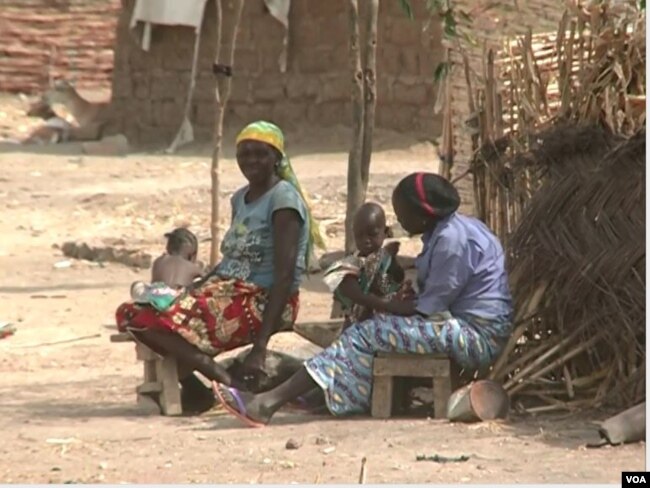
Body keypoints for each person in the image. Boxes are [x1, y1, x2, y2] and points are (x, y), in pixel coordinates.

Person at [212, 172, 513, 427]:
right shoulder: (452, 231)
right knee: (369, 333)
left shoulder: (452, 241)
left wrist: (391, 307)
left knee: (366, 334)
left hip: (475, 338)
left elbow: (429, 306)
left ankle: (268, 402)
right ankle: (313, 396)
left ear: (423, 214)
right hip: (463, 327)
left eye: (402, 212)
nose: (399, 218)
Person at [115, 120, 325, 413]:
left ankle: (227, 385)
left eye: (260, 153)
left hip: (261, 299)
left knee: (168, 322)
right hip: (225, 290)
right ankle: (210, 386)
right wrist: (195, 288)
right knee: (134, 313)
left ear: (277, 158)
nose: (251, 160)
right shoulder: (240, 198)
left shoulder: (283, 200)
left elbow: (285, 273)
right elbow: (232, 259)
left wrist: (260, 348)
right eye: (244, 153)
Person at [323, 202, 409, 325]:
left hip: (385, 321)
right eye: (359, 235)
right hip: (355, 323)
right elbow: (357, 295)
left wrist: (392, 260)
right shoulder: (349, 265)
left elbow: (396, 280)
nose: (366, 240)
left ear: (385, 233)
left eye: (372, 234)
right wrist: (392, 305)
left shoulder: (387, 259)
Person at [129, 228, 203, 310]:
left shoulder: (159, 260)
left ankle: (151, 305)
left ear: (168, 248)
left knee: (137, 285)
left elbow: (156, 283)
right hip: (173, 300)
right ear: (192, 255)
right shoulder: (192, 267)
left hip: (153, 297)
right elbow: (204, 280)